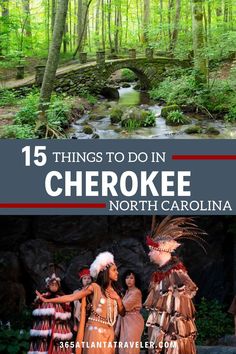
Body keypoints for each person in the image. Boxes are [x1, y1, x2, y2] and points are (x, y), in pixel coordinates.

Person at [36, 252, 125, 354]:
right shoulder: (94, 288)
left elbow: (122, 313)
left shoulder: (116, 291)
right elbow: (72, 297)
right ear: (105, 272)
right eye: (114, 270)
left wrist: (118, 299)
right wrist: (48, 300)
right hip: (95, 333)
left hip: (110, 333)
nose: (117, 272)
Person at [144, 216, 207, 354]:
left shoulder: (177, 274)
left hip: (172, 341)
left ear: (160, 250)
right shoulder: (160, 275)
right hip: (159, 337)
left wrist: (170, 335)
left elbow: (181, 312)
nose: (149, 253)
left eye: (151, 250)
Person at [28, 272, 73, 354]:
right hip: (45, 326)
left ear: (58, 286)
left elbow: (67, 309)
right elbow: (35, 309)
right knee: (45, 341)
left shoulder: (62, 298)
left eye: (56, 285)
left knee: (58, 343)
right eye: (52, 285)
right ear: (48, 286)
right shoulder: (43, 297)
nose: (54, 286)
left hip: (58, 327)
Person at [115, 270, 144, 354]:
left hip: (133, 322)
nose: (129, 280)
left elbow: (123, 307)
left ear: (135, 280)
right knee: (123, 348)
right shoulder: (127, 292)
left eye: (131, 278)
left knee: (130, 349)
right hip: (126, 322)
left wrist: (115, 298)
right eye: (127, 278)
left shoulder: (136, 292)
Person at [73, 267, 92, 332]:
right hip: (80, 319)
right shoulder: (77, 292)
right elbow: (75, 309)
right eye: (84, 278)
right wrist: (75, 324)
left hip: (92, 320)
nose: (87, 280)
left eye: (89, 278)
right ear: (81, 280)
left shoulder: (94, 292)